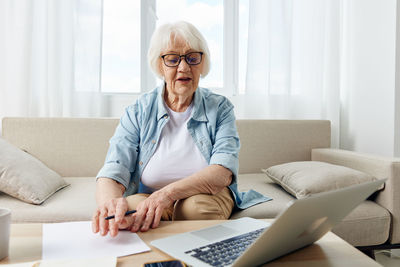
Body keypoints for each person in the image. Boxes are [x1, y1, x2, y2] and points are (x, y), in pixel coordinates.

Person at [92, 21, 269, 237]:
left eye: (192, 58)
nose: (184, 68)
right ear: (159, 66)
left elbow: (222, 172)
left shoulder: (220, 108)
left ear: (202, 64)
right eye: (173, 59)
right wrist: (110, 204)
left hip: (207, 195)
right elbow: (114, 167)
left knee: (194, 209)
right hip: (150, 194)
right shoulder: (138, 110)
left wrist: (168, 194)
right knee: (132, 212)